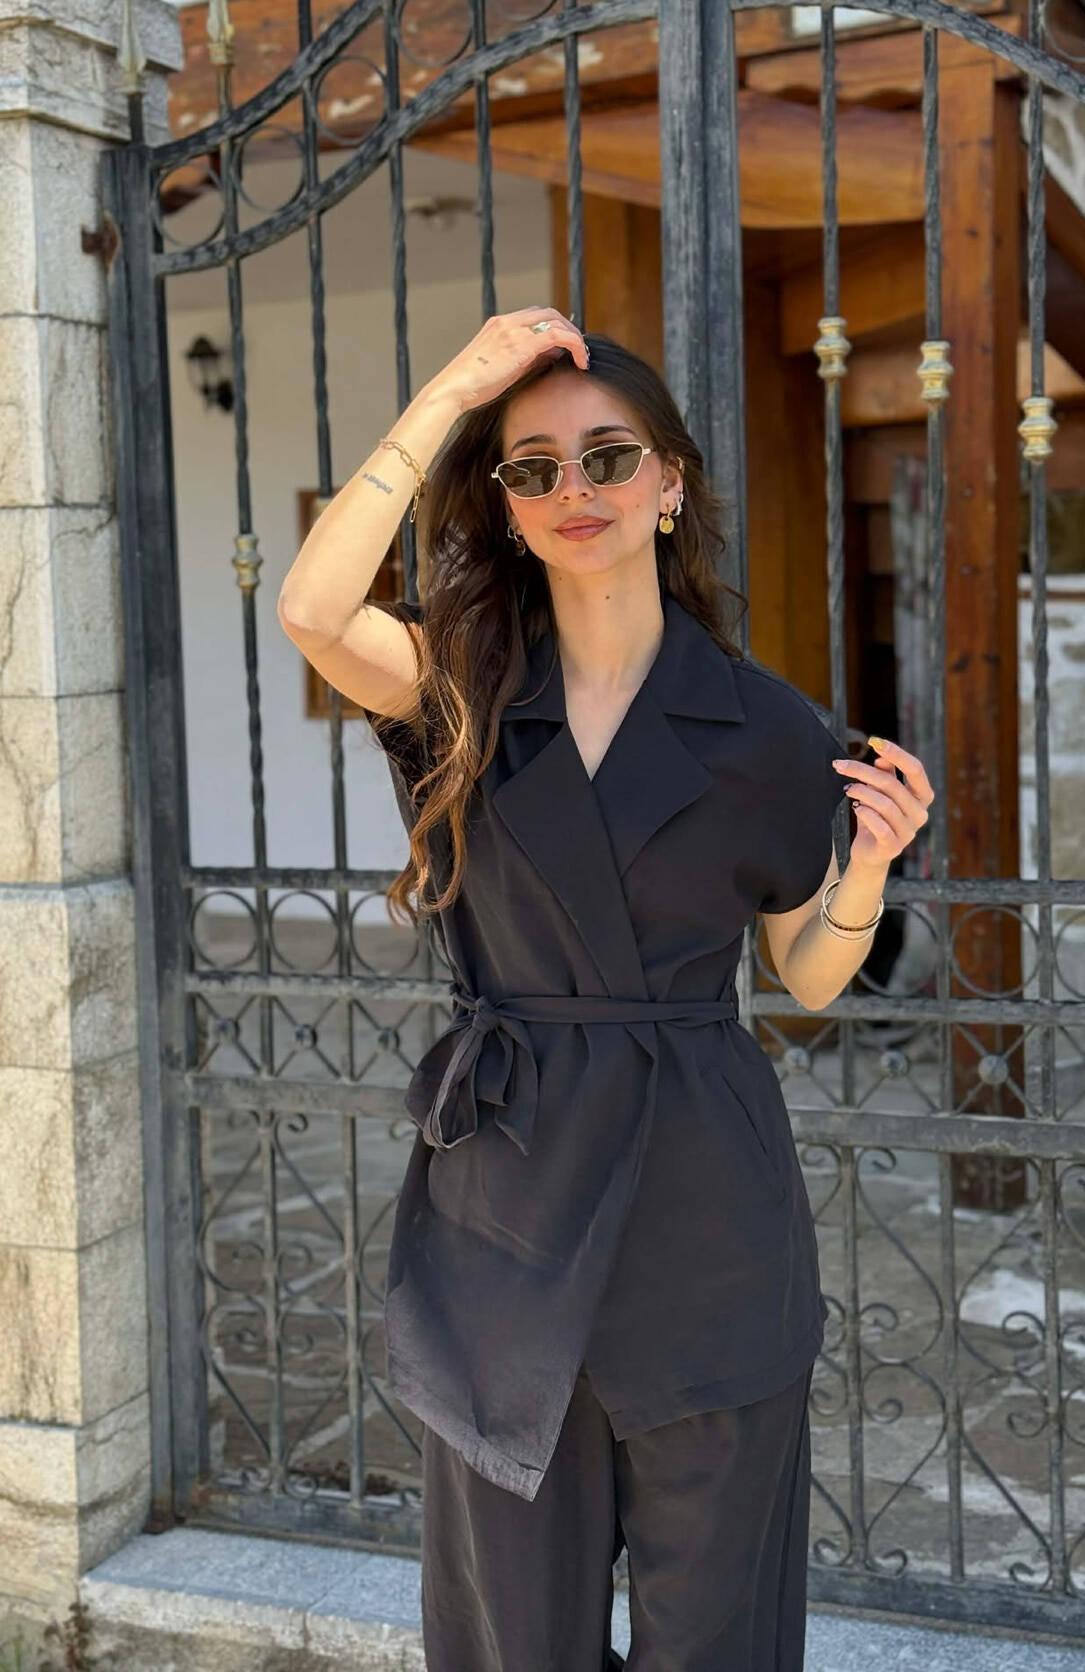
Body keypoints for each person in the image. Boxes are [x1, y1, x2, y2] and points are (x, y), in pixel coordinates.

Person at [277, 307, 934, 1671]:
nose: (574, 489)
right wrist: (458, 388)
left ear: (670, 483)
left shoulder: (765, 725)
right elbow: (312, 611)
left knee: (716, 1634)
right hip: (508, 1202)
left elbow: (807, 976)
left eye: (609, 457)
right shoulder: (462, 685)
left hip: (707, 1208)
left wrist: (867, 869)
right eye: (534, 469)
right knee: (512, 1633)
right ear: (509, 508)